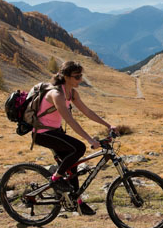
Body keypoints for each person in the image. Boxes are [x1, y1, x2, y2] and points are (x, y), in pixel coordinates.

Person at [34, 60, 114, 215]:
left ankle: (76, 202)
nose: (80, 79)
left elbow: (87, 112)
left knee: (73, 165)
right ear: (65, 77)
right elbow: (70, 120)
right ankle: (55, 179)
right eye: (77, 77)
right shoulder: (56, 94)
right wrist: (90, 140)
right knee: (80, 147)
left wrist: (108, 125)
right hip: (42, 134)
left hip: (55, 132)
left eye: (81, 76)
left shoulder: (72, 93)